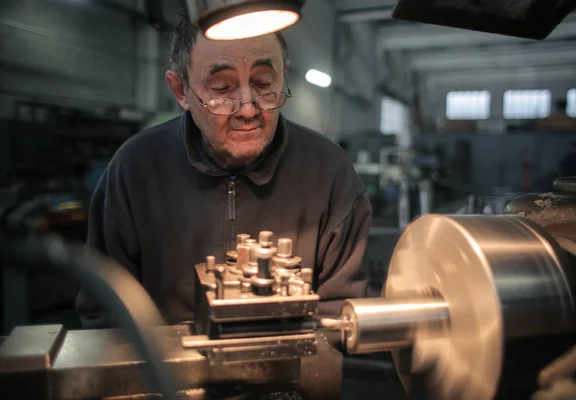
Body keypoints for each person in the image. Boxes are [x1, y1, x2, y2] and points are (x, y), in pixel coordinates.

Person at [75, 18, 372, 329]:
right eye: (222, 88)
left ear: (284, 73)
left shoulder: (329, 174)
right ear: (181, 91)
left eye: (264, 82)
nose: (247, 109)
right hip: (166, 374)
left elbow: (342, 318)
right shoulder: (134, 170)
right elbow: (105, 314)